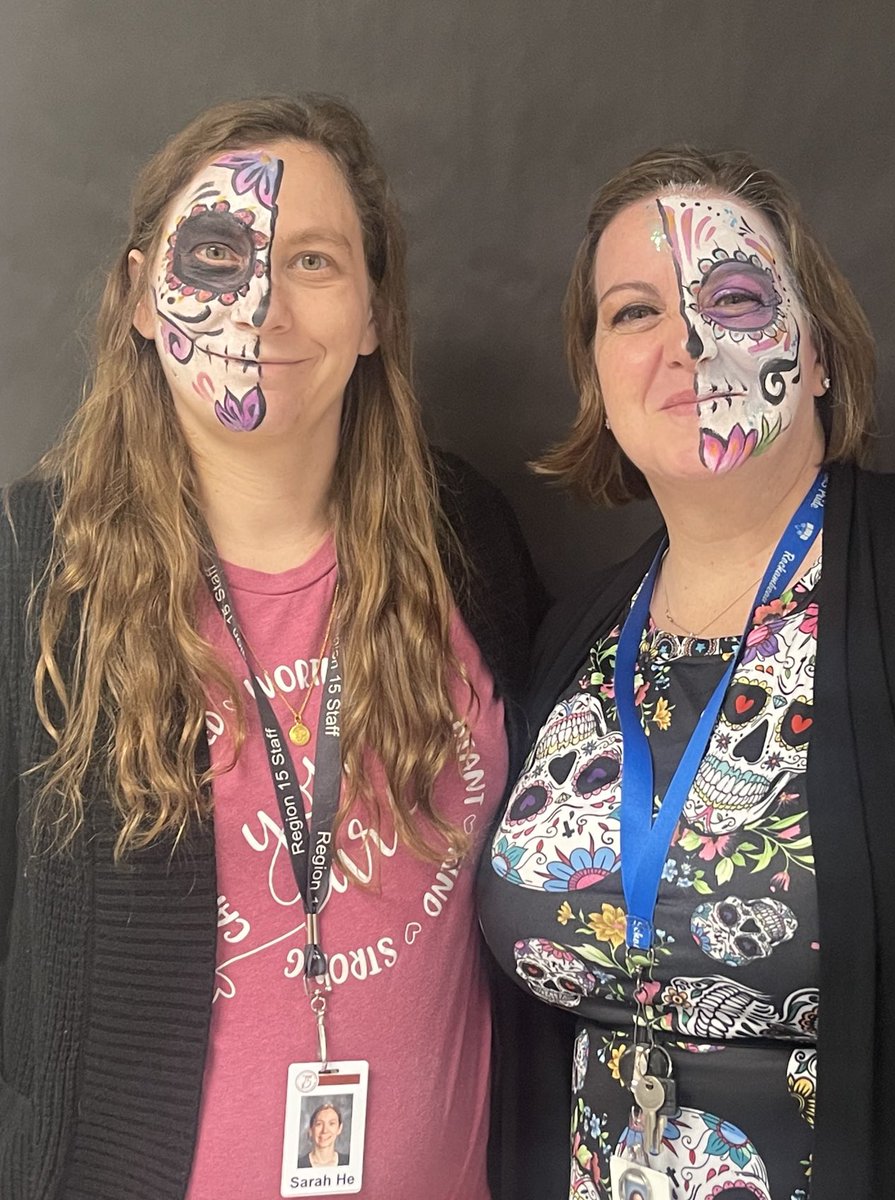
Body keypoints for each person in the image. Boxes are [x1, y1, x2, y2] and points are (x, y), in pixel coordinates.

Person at [0, 94, 540, 1200]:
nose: (260, 302)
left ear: (375, 310)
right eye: (217, 254)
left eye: (312, 261)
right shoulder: (38, 569)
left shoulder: (465, 539)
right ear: (143, 295)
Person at [478, 145, 895, 1199]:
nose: (683, 342)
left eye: (729, 295)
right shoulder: (572, 638)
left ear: (816, 352)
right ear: (596, 375)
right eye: (633, 312)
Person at [298, 1102, 349, 1169]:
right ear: (310, 1129)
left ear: (339, 1128)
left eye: (331, 1123)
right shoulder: (299, 1165)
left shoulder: (348, 1162)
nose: (324, 1130)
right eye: (319, 1124)